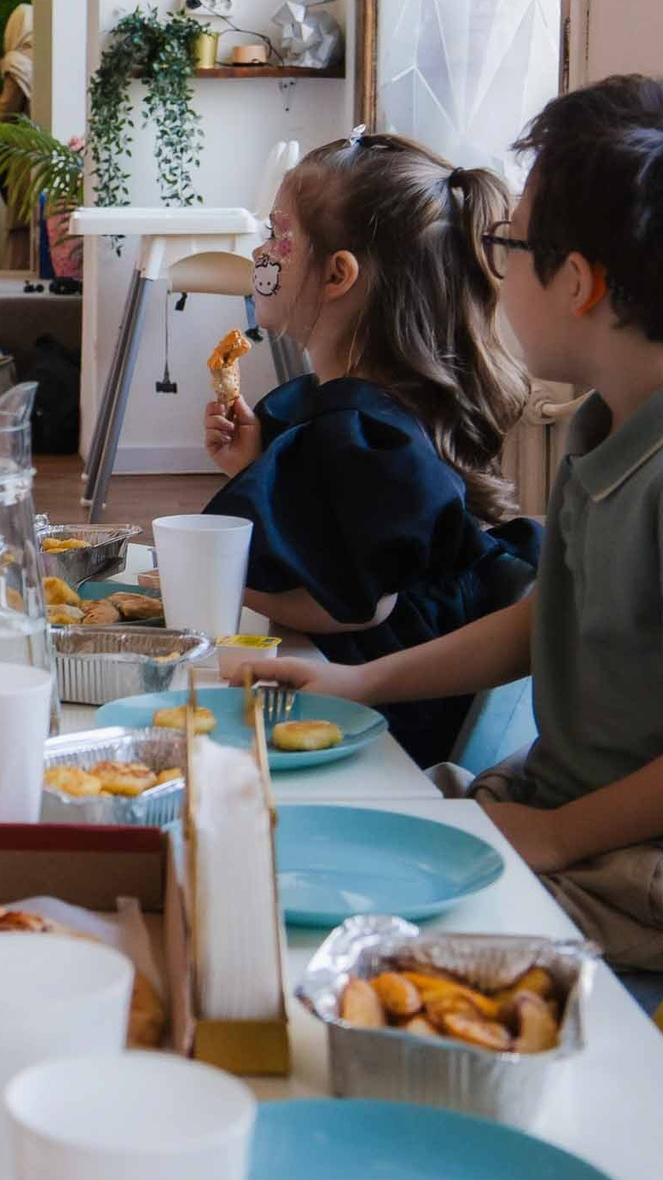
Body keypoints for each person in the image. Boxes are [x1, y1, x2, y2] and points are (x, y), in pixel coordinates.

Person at [251, 76, 663, 971]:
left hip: (650, 875)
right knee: (275, 841)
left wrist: (556, 834)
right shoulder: (617, 430)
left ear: (578, 283)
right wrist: (360, 684)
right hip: (561, 811)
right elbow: (545, 620)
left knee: (315, 936)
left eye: (511, 244)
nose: (494, 268)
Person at [201, 129, 540, 763]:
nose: (261, 253)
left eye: (277, 235)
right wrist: (256, 468)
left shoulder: (361, 429)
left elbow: (355, 606)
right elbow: (333, 529)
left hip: (394, 721)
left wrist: (211, 576)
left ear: (337, 274)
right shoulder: (365, 407)